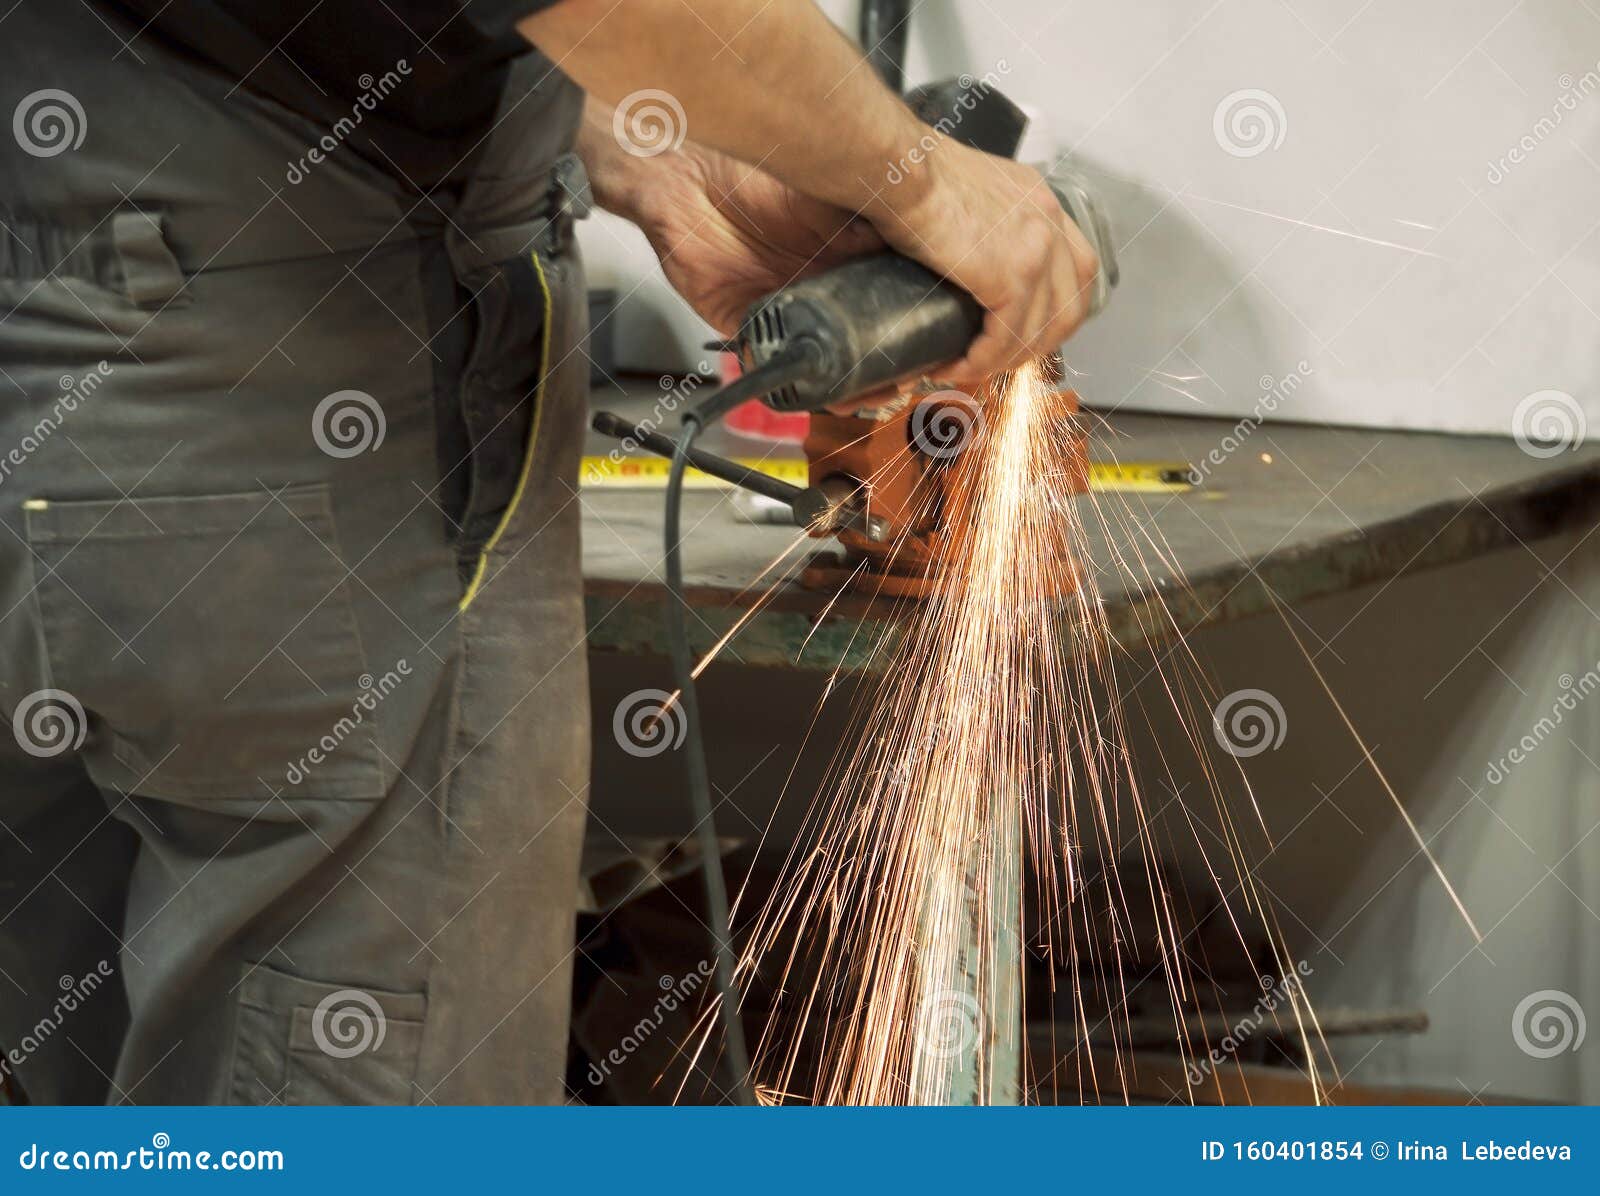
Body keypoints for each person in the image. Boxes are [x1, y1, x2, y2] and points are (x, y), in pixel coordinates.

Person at [0, 0, 1100, 1105]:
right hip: (300, 364)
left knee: (69, 1045)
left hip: (59, 336)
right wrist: (933, 185)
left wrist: (641, 145)